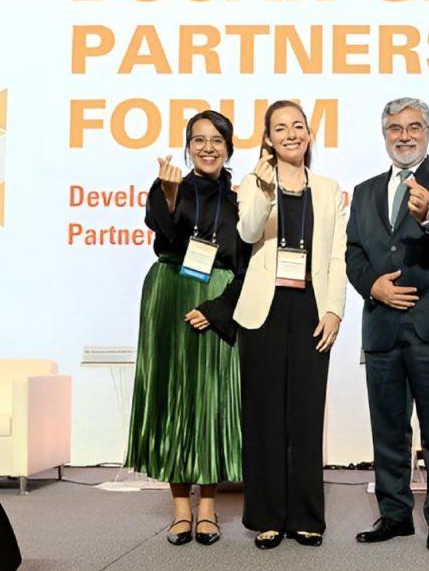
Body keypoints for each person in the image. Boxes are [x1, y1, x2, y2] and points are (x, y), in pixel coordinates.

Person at [346, 97, 429, 552]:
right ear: (384, 134)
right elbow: (354, 252)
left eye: (413, 127)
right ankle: (395, 515)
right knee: (388, 429)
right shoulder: (364, 190)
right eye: (395, 128)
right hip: (383, 324)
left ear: (428, 132)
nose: (404, 136)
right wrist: (372, 286)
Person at [124, 110, 246, 547]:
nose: (207, 148)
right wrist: (171, 194)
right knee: (172, 396)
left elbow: (246, 263)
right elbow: (162, 231)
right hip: (169, 294)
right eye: (198, 139)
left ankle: (208, 508)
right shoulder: (167, 186)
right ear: (187, 146)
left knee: (210, 399)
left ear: (228, 147)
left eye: (216, 140)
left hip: (217, 298)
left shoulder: (241, 198)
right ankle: (179, 509)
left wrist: (218, 309)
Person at [232, 100, 348, 549]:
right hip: (263, 310)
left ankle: (306, 517)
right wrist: (264, 190)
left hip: (311, 308)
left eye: (298, 126)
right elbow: (247, 233)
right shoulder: (253, 182)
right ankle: (266, 516)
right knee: (263, 416)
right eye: (280, 128)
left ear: (309, 134)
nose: (291, 134)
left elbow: (337, 256)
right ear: (268, 139)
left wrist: (334, 310)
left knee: (305, 414)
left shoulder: (329, 188)